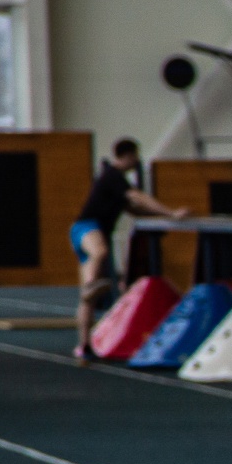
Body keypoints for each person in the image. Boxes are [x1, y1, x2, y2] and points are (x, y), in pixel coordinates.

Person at [70, 139, 190, 360]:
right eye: (135, 157)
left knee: (87, 299)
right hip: (86, 228)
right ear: (127, 156)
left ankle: (84, 344)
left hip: (88, 232)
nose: (137, 162)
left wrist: (163, 219)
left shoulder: (113, 184)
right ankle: (90, 285)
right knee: (101, 252)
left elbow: (135, 210)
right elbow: (138, 197)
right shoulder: (113, 176)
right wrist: (171, 212)